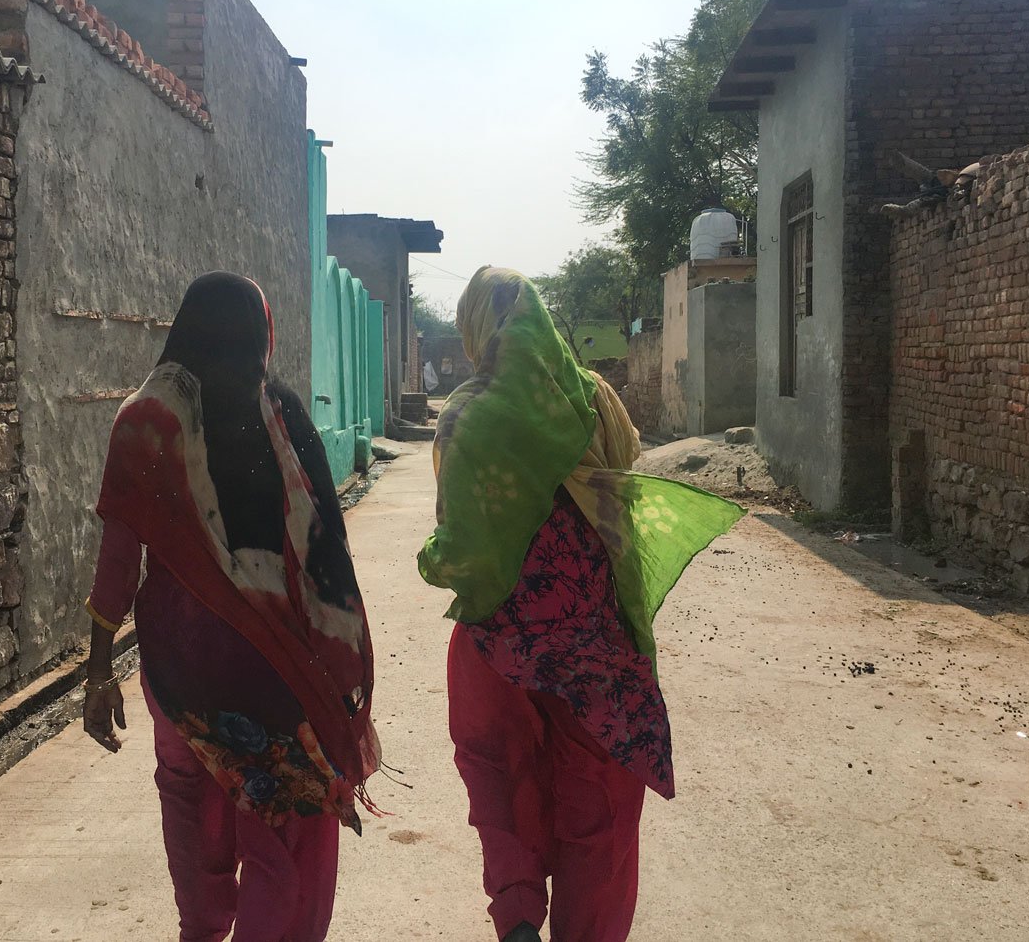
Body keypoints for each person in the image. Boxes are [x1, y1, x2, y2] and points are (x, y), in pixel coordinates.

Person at [418, 267, 742, 942]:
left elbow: (458, 546)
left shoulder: (466, 416)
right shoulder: (593, 398)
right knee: (598, 797)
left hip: (496, 643)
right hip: (591, 636)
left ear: (476, 327)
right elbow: (622, 480)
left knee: (500, 778)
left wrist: (435, 560)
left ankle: (516, 913)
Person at [82, 272, 381, 942]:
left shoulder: (147, 420)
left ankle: (202, 926)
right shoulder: (284, 412)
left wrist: (98, 673)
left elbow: (117, 560)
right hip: (271, 666)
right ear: (260, 334)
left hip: (180, 665)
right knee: (283, 817)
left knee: (189, 795)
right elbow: (325, 551)